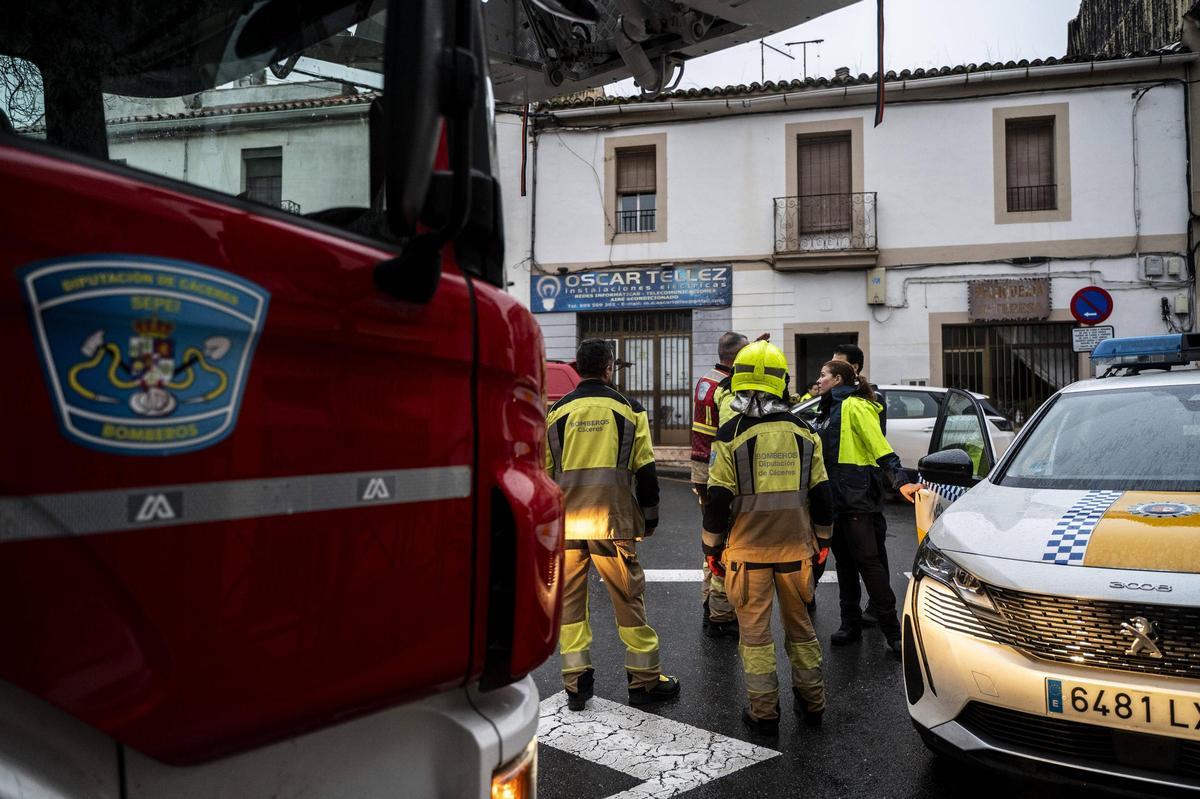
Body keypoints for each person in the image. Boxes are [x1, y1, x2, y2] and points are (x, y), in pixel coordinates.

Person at [703, 341, 836, 736]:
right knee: (802, 631)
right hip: (797, 552)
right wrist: (822, 545)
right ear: (782, 382)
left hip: (746, 555)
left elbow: (717, 500)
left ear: (739, 380)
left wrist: (711, 548)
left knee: (756, 638)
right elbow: (823, 496)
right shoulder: (805, 432)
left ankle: (764, 713)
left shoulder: (730, 434)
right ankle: (813, 704)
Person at [546, 339, 681, 710]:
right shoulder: (629, 410)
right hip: (613, 521)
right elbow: (647, 472)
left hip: (568, 525)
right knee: (628, 598)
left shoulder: (555, 413)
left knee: (570, 604)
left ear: (578, 367)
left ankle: (575, 684)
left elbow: (543, 475)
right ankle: (644, 680)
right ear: (608, 368)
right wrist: (649, 519)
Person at [811, 359, 919, 655]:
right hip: (837, 496)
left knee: (868, 562)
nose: (818, 380)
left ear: (837, 379)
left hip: (856, 494)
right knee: (844, 563)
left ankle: (893, 633)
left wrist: (900, 480)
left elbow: (879, 446)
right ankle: (850, 624)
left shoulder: (854, 406)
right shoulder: (828, 408)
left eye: (823, 375)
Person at [690, 331, 748, 636]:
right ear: (737, 358)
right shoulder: (728, 388)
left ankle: (709, 605)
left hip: (701, 469)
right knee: (727, 543)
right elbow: (732, 431)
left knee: (711, 542)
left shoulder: (706, 379)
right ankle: (720, 615)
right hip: (718, 470)